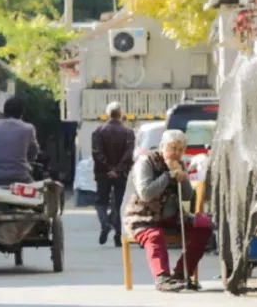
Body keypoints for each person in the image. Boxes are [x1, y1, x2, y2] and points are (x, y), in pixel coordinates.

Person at [123, 129, 213, 292]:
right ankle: (162, 278)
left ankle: (181, 274)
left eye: (180, 150)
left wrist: (183, 177)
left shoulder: (180, 163)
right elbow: (146, 194)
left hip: (173, 216)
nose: (176, 153)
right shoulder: (146, 162)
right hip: (143, 217)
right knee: (154, 236)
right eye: (172, 148)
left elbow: (186, 196)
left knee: (204, 226)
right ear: (162, 147)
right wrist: (168, 176)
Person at [91, 101, 135, 247]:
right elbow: (128, 154)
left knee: (101, 202)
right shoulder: (128, 133)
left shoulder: (98, 132)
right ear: (120, 114)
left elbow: (97, 153)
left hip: (103, 174)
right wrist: (117, 170)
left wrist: (108, 169)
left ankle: (105, 223)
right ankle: (118, 234)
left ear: (108, 114)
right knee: (119, 203)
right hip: (121, 174)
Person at [0, 97, 39, 186]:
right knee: (37, 194)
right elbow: (34, 151)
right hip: (21, 177)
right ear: (22, 113)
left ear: (4, 111)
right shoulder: (28, 128)